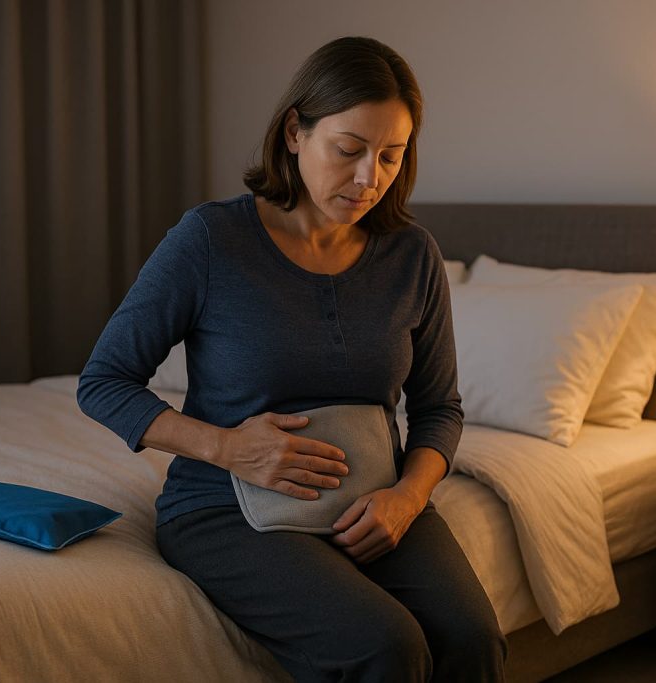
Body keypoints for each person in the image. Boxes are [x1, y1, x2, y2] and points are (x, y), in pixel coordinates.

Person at [78, 36, 507, 681]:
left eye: (392, 156)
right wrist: (228, 448)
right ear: (294, 133)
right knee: (383, 643)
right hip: (224, 507)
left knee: (471, 636)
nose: (370, 178)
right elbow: (103, 382)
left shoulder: (413, 255)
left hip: (377, 501)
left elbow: (439, 407)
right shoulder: (210, 240)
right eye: (349, 149)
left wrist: (407, 497)